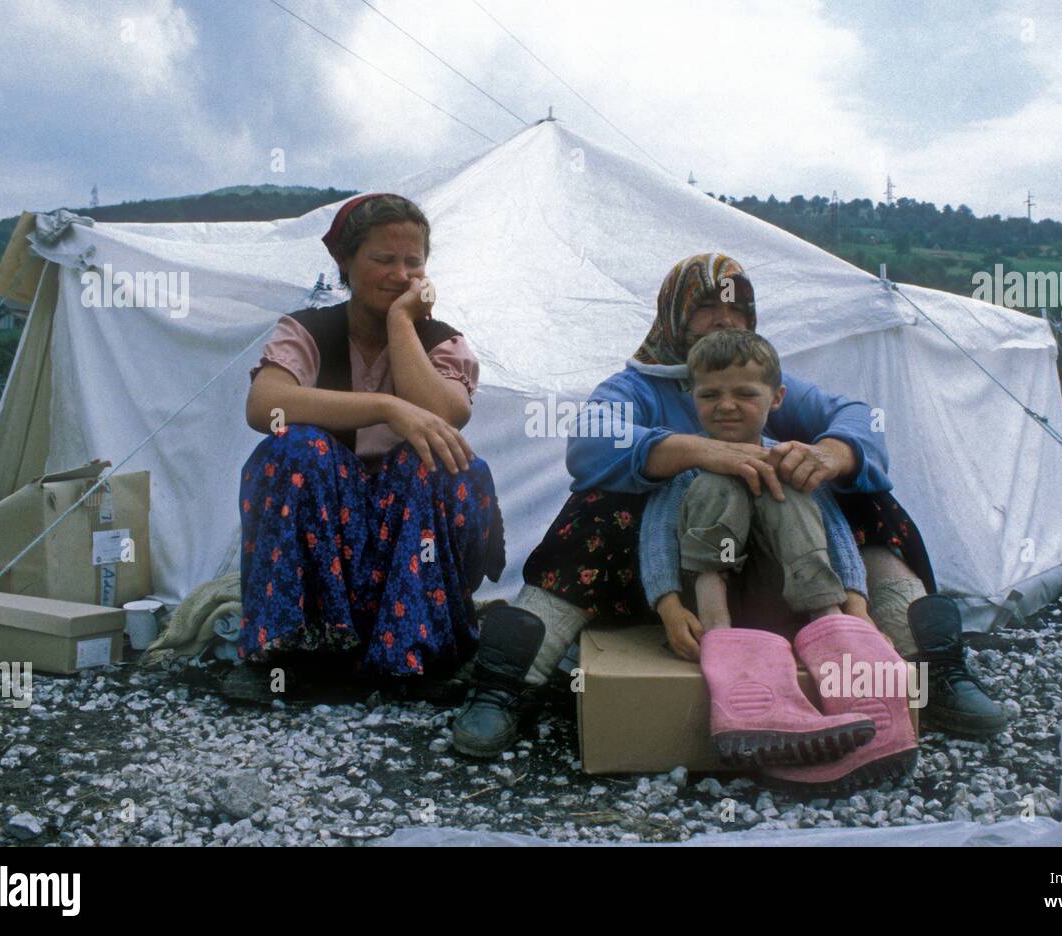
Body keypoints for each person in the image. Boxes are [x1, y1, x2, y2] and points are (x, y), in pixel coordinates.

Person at [452, 252, 1004, 757]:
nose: (724, 320)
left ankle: (928, 669)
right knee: (599, 509)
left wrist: (833, 454)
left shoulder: (758, 377)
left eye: (737, 308)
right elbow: (591, 443)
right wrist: (698, 452)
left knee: (866, 498)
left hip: (779, 571)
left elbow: (857, 417)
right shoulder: (635, 388)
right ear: (674, 315)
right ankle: (508, 683)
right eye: (705, 307)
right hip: (672, 575)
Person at [226, 193, 505, 702]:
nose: (401, 274)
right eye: (383, 260)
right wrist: (385, 408)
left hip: (408, 517)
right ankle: (286, 651)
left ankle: (417, 650)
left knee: (438, 463)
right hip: (328, 518)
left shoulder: (442, 341)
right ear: (345, 262)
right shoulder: (307, 330)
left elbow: (444, 415)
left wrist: (401, 322)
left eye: (413, 262)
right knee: (295, 449)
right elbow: (265, 407)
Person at [643, 328, 918, 789]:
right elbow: (654, 540)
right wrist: (669, 607)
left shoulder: (793, 459)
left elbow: (834, 532)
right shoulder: (687, 463)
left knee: (786, 487)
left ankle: (837, 639)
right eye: (710, 394)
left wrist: (856, 607)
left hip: (790, 603)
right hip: (717, 608)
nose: (726, 405)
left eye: (744, 393)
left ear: (777, 398)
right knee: (715, 484)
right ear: (692, 397)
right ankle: (737, 670)